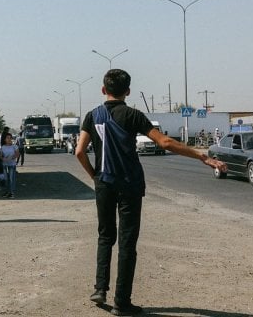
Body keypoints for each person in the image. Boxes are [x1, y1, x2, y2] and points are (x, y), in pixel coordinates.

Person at [75, 69, 226, 316]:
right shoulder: (134, 115)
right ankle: (122, 303)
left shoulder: (92, 116)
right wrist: (202, 156)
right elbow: (165, 142)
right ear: (128, 92)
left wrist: (94, 176)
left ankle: (100, 288)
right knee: (127, 243)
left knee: (105, 235)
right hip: (130, 185)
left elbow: (80, 151)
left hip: (104, 183)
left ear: (104, 90)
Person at [0, 132, 19, 198]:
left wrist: (12, 157)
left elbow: (17, 154)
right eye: (7, 138)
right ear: (4, 139)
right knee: (6, 179)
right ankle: (7, 192)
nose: (9, 139)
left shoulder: (14, 146)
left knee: (11, 178)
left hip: (12, 165)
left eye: (10, 138)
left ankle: (12, 192)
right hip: (5, 165)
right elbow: (1, 156)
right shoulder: (3, 147)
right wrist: (3, 159)